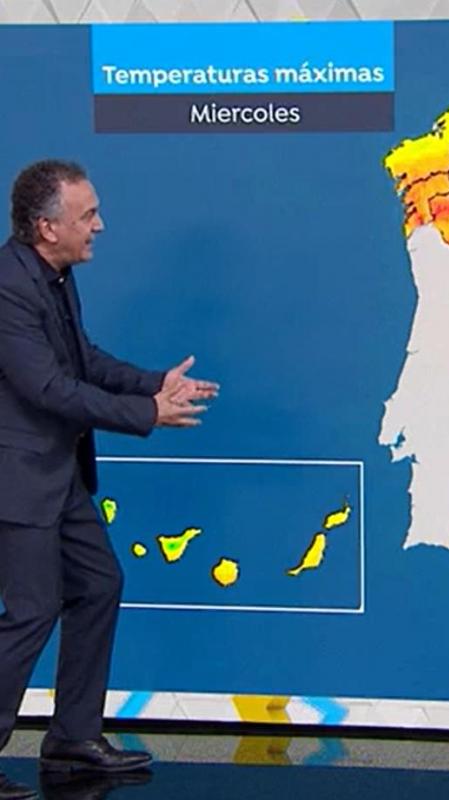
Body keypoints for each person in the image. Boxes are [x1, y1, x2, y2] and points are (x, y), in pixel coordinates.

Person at [0, 160, 217, 800]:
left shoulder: (53, 275)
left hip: (58, 471)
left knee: (98, 583)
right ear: (47, 227)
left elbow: (82, 360)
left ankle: (73, 740)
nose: (99, 225)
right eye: (87, 214)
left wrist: (154, 383)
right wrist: (146, 413)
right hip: (17, 476)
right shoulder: (7, 287)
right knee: (32, 611)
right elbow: (47, 387)